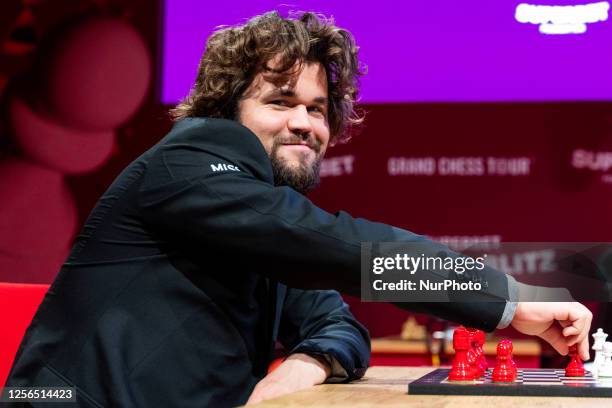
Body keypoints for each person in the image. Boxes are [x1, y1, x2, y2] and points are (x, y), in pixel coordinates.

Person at [5, 11, 592, 407]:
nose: (303, 123)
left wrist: (306, 361)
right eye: (280, 101)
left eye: (317, 108)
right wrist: (511, 301)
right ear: (226, 108)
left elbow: (338, 324)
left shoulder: (261, 217)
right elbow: (347, 250)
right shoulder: (190, 161)